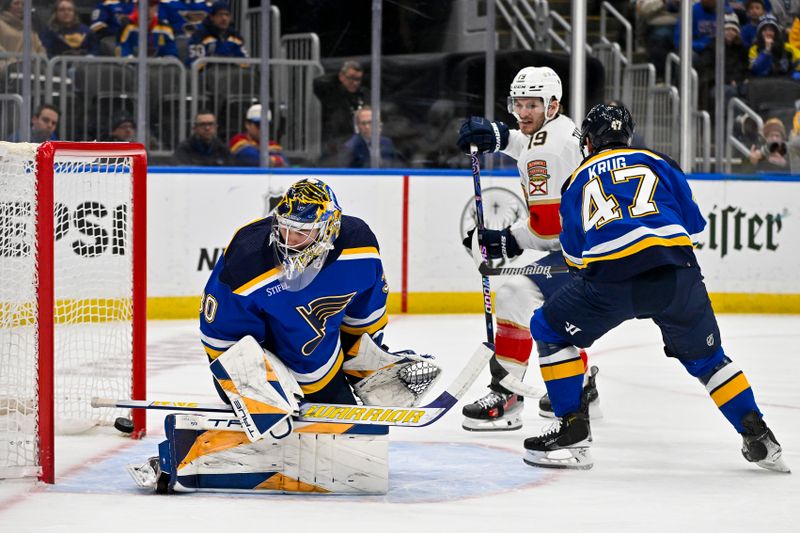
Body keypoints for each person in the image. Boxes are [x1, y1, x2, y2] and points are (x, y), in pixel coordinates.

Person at [521, 103, 789, 474]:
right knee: (710, 361)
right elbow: (694, 226)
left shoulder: (577, 179)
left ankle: (572, 429)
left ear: (589, 141)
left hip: (611, 281)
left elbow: (576, 259)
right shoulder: (659, 161)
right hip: (676, 275)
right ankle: (759, 435)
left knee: (548, 328)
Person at [455, 66, 601, 432]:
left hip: (584, 255)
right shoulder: (562, 129)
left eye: (532, 104)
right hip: (597, 247)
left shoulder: (546, 153)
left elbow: (548, 230)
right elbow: (527, 143)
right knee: (542, 304)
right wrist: (500, 137)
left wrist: (508, 239)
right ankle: (580, 384)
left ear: (553, 105)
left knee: (516, 295)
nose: (523, 112)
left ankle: (507, 394)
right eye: (518, 103)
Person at [200, 178, 392, 405]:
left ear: (328, 228)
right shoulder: (247, 256)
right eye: (285, 227)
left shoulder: (360, 247)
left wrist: (366, 362)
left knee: (349, 429)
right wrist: (251, 383)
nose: (288, 240)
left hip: (318, 365)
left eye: (301, 233)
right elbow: (220, 333)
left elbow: (364, 314)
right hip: (257, 364)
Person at [313, 60, 371, 164]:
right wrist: (338, 76)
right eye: (351, 78)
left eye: (358, 79)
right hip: (336, 142)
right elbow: (317, 82)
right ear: (341, 77)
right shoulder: (332, 92)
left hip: (359, 141)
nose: (355, 83)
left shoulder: (364, 93)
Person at [186, 2, 247, 67]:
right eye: (220, 15)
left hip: (230, 75)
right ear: (212, 17)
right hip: (206, 76)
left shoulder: (235, 36)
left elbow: (245, 62)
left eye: (227, 15)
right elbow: (194, 63)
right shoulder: (199, 35)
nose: (224, 18)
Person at [748, 13, 800, 79]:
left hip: (785, 83)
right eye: (764, 30)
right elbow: (756, 70)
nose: (768, 33)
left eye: (771, 30)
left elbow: (798, 62)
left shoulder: (787, 48)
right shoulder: (754, 49)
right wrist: (766, 51)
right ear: (760, 33)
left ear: (776, 33)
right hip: (763, 84)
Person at [0, 0, 46, 72]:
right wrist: (13, 59)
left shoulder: (30, 26)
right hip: (5, 64)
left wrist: (40, 59)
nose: (20, 7)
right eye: (16, 3)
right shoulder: (1, 23)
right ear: (7, 5)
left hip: (31, 65)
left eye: (23, 4)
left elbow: (39, 48)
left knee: (57, 71)